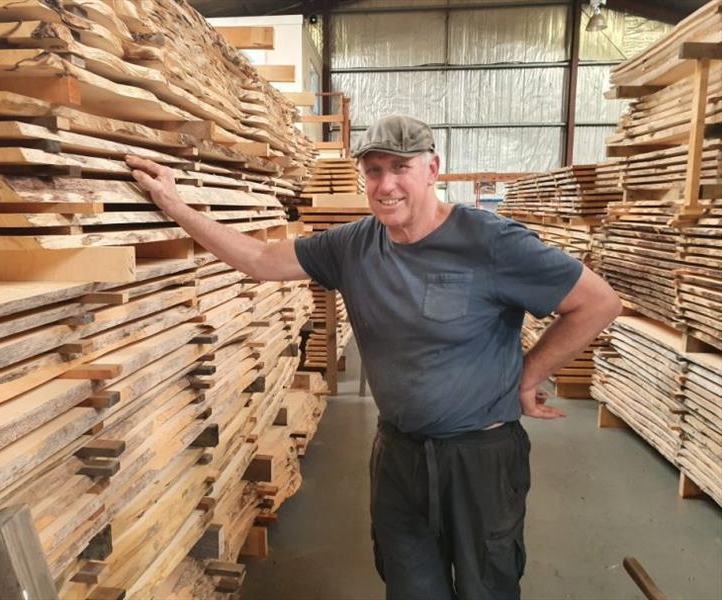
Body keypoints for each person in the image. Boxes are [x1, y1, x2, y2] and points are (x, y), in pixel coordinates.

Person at [126, 114, 622, 600]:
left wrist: (527, 375)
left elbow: (598, 302)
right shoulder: (353, 245)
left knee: (485, 586)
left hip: (480, 458)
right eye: (374, 170)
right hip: (398, 455)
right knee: (408, 584)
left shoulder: (491, 242)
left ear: (432, 169)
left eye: (400, 168)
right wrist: (175, 205)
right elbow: (259, 261)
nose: (386, 185)